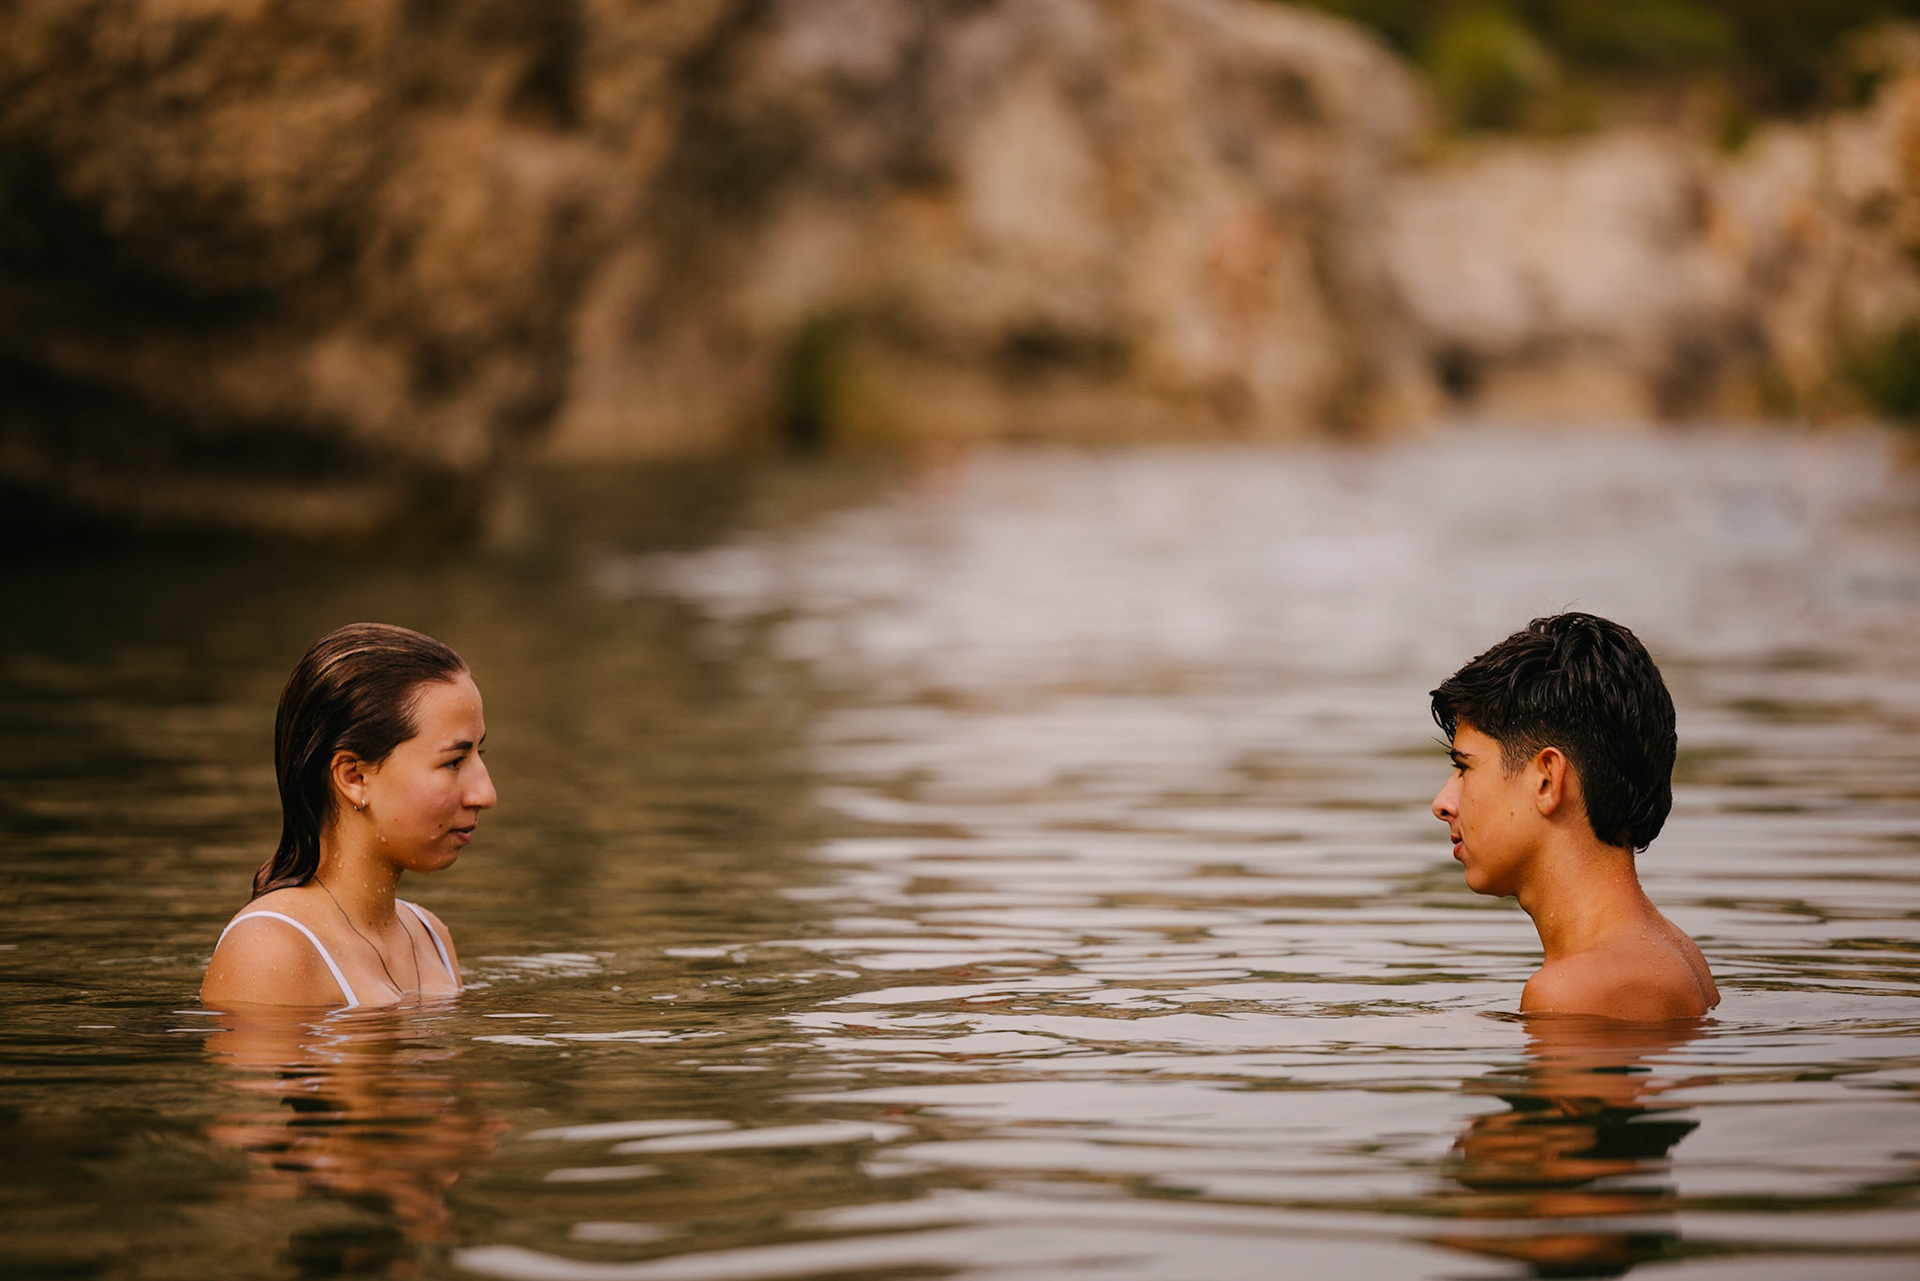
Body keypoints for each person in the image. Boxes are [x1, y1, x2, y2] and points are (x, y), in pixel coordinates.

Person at [1430, 612, 1718, 1021]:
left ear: (1547, 780)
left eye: (1465, 767)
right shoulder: (1673, 950)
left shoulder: (1579, 991)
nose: (1442, 803)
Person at [201, 623, 496, 1009]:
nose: (486, 794)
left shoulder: (431, 937)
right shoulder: (272, 951)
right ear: (354, 777)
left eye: (479, 755)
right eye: (454, 761)